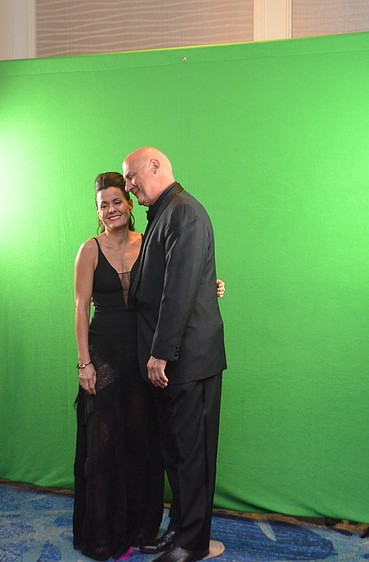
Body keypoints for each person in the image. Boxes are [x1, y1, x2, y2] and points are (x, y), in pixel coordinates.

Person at [72, 172, 224, 561]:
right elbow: (79, 308)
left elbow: (176, 278)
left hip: (143, 350)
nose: (111, 209)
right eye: (103, 204)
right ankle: (105, 532)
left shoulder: (149, 238)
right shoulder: (88, 249)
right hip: (105, 352)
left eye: (117, 201)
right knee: (104, 442)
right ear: (97, 211)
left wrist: (210, 283)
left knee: (145, 443)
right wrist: (84, 362)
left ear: (129, 203)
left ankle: (142, 528)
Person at [123, 147, 227, 562]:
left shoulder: (183, 212)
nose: (129, 185)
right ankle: (182, 531)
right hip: (176, 362)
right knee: (177, 453)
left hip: (189, 362)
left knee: (193, 455)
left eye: (132, 177)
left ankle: (192, 544)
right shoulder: (165, 213)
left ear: (156, 167)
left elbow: (178, 291)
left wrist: (160, 354)